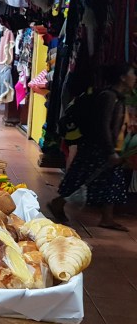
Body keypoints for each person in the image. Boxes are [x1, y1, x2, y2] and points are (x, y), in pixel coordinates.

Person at [49, 63, 136, 231]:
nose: (135, 77)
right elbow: (103, 125)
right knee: (82, 177)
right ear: (123, 77)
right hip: (97, 148)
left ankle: (107, 218)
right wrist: (110, 151)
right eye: (133, 73)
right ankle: (57, 203)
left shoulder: (117, 97)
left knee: (111, 180)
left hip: (105, 148)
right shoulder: (109, 96)